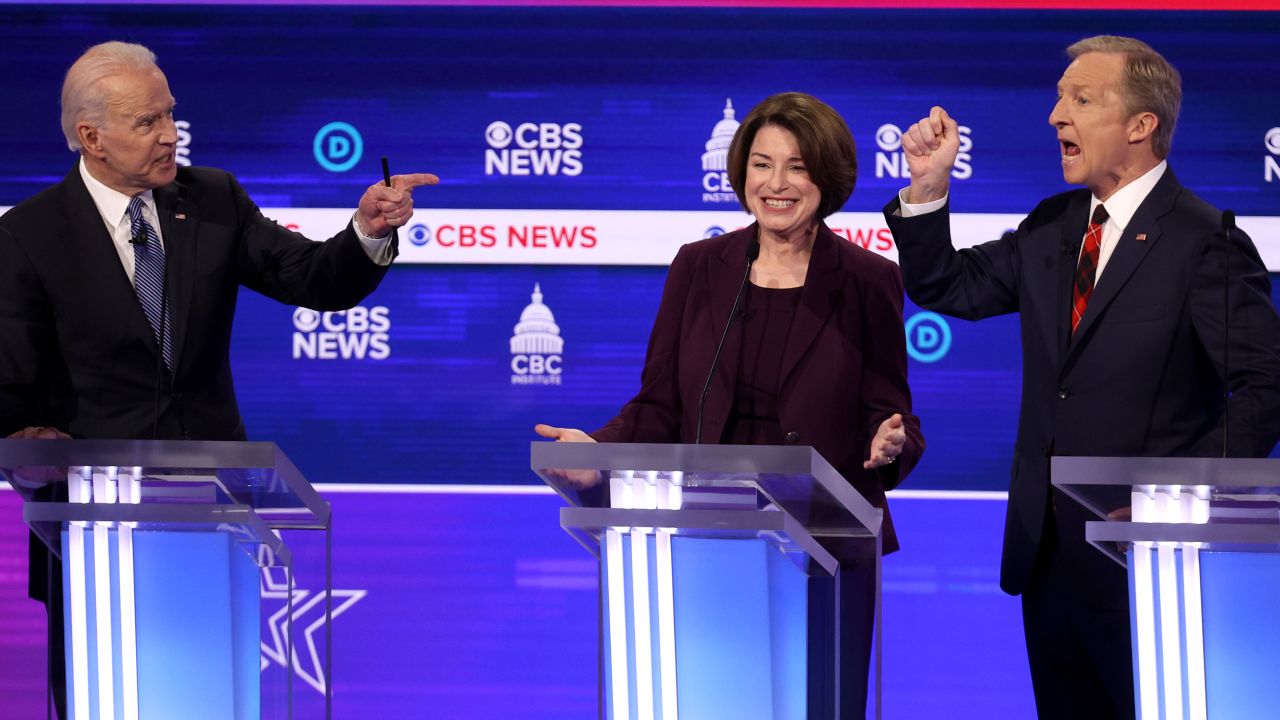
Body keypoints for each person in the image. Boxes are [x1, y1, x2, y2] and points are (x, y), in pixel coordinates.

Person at [0, 41, 437, 717]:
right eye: (148, 122)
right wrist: (25, 441)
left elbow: (313, 278)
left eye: (170, 114)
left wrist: (366, 232)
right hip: (92, 537)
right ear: (92, 137)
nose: (172, 133)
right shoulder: (29, 236)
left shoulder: (213, 201)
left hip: (213, 518)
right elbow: (10, 382)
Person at [884, 35, 1280, 719]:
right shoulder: (1053, 226)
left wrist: (1174, 503)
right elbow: (951, 287)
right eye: (1060, 98)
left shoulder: (1204, 241)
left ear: (1140, 125)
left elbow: (1268, 388)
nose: (1055, 116)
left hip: (1152, 563)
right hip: (1049, 561)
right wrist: (928, 189)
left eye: (1081, 99)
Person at [538, 91, 924, 718]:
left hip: (824, 546)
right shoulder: (699, 268)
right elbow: (660, 403)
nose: (776, 184)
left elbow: (893, 415)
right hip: (704, 537)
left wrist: (888, 446)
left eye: (796, 166)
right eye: (762, 164)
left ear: (826, 176)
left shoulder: (867, 279)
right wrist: (599, 457)